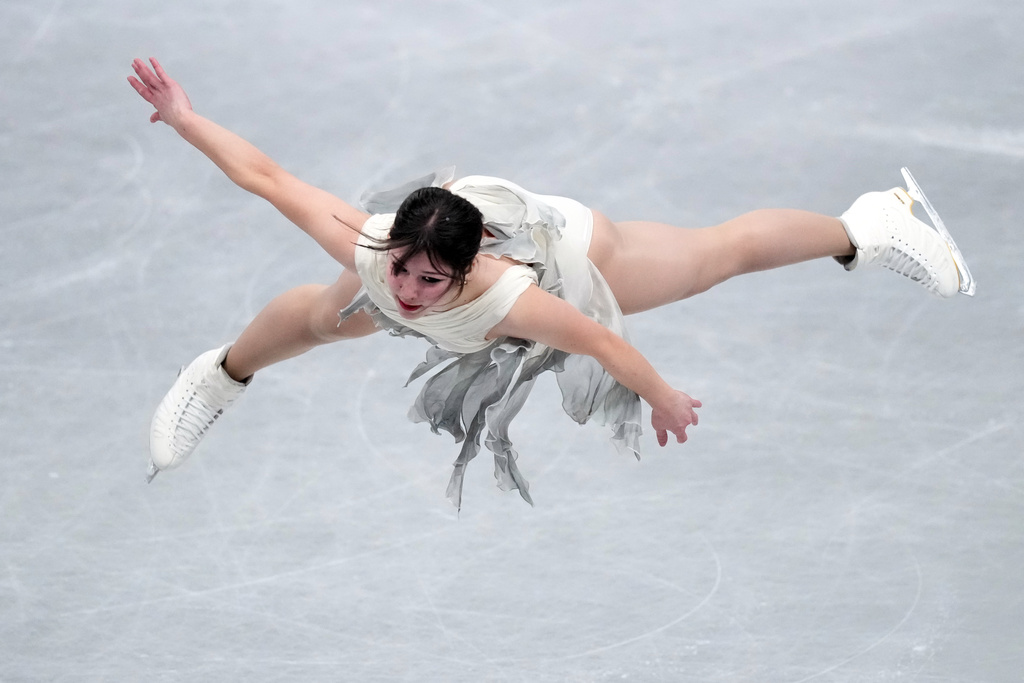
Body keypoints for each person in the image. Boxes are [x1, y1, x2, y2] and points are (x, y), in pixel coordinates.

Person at [128, 57, 974, 508]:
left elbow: (602, 341)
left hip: (570, 245)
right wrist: (187, 118)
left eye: (430, 280)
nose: (412, 290)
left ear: (467, 270)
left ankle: (867, 225)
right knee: (322, 315)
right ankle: (220, 372)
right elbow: (268, 176)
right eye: (404, 271)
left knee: (713, 260)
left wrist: (667, 397)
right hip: (459, 240)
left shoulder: (515, 300)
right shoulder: (370, 249)